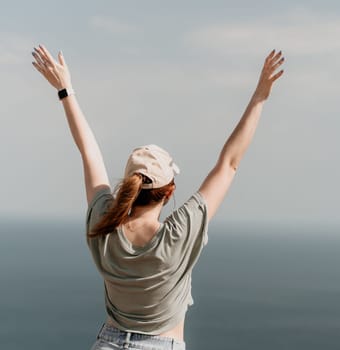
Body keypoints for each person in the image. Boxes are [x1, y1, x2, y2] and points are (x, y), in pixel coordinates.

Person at [31, 44, 284, 350]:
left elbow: (89, 152)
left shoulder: (104, 225)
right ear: (169, 192)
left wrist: (65, 89)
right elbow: (229, 164)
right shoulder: (178, 234)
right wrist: (260, 95)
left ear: (128, 186)